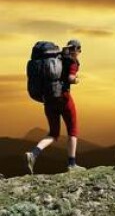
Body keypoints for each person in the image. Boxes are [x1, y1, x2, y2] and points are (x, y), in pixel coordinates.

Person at [25, 39, 85, 173]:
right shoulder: (72, 61)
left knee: (53, 133)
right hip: (63, 98)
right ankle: (72, 164)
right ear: (76, 50)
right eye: (79, 50)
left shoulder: (59, 58)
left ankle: (33, 153)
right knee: (72, 130)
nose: (79, 53)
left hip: (48, 99)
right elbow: (70, 78)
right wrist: (77, 80)